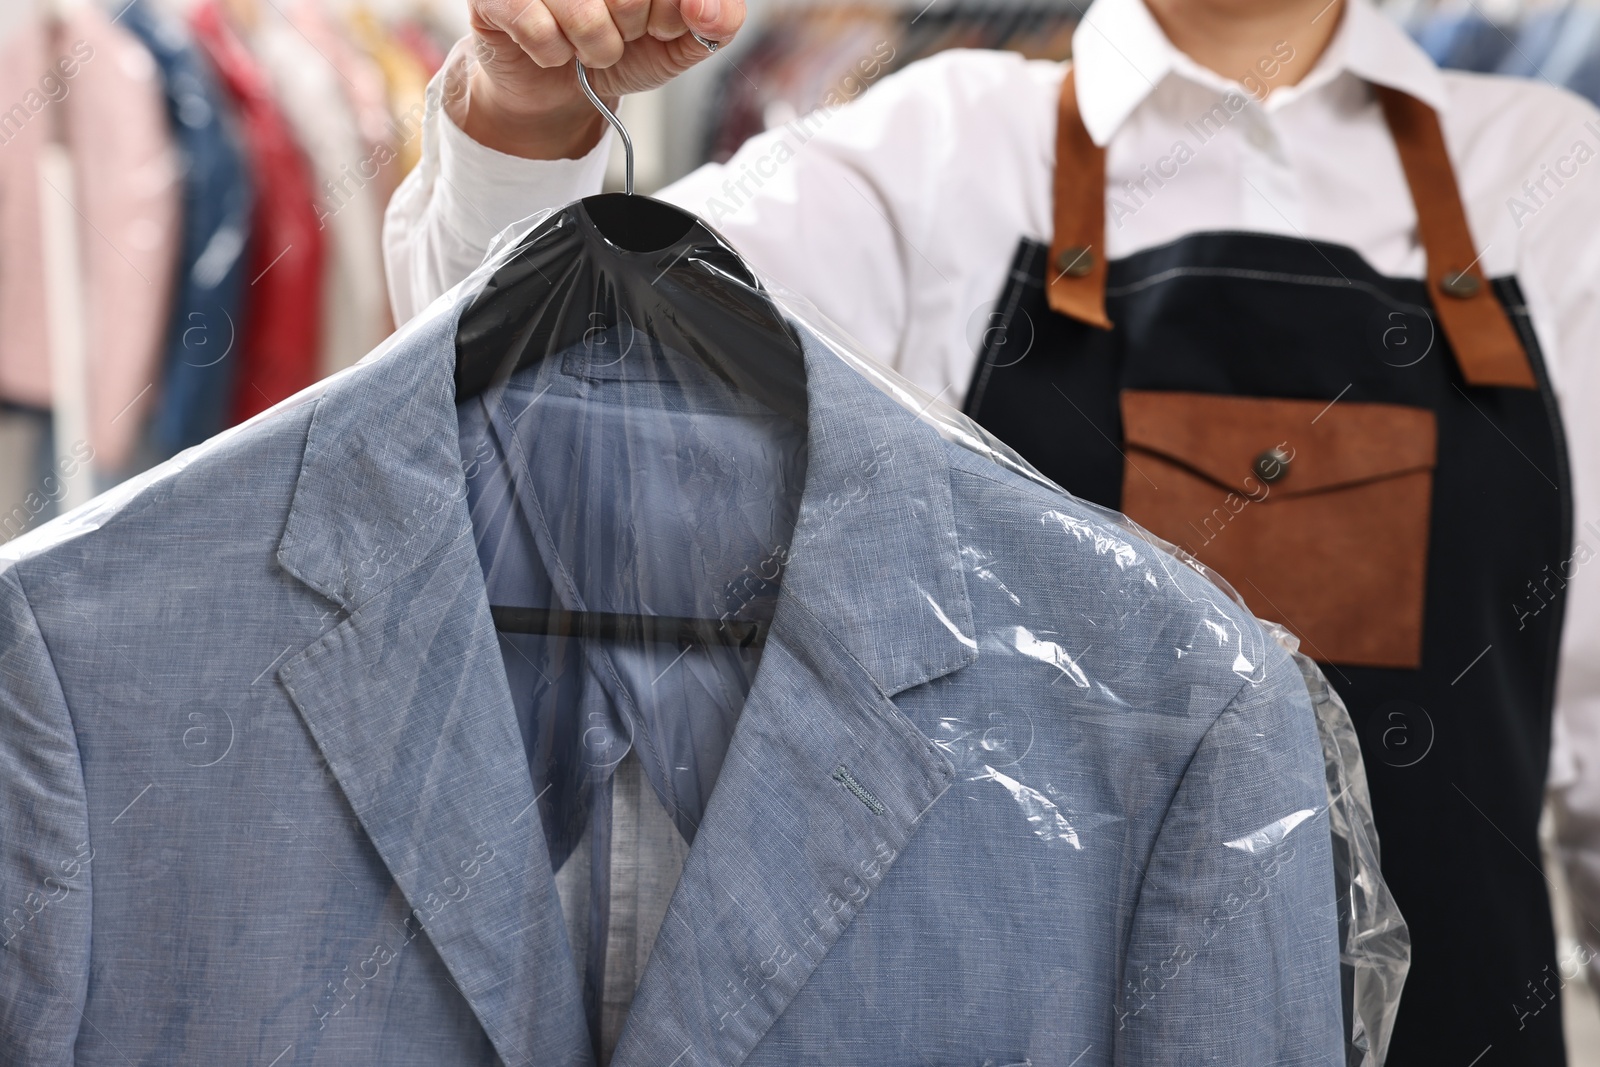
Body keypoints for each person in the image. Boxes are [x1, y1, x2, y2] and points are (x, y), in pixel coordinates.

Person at [382, 0, 1600, 1063]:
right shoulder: (934, 147)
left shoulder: (1555, 174)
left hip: (1468, 1013)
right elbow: (547, 419)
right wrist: (530, 126)